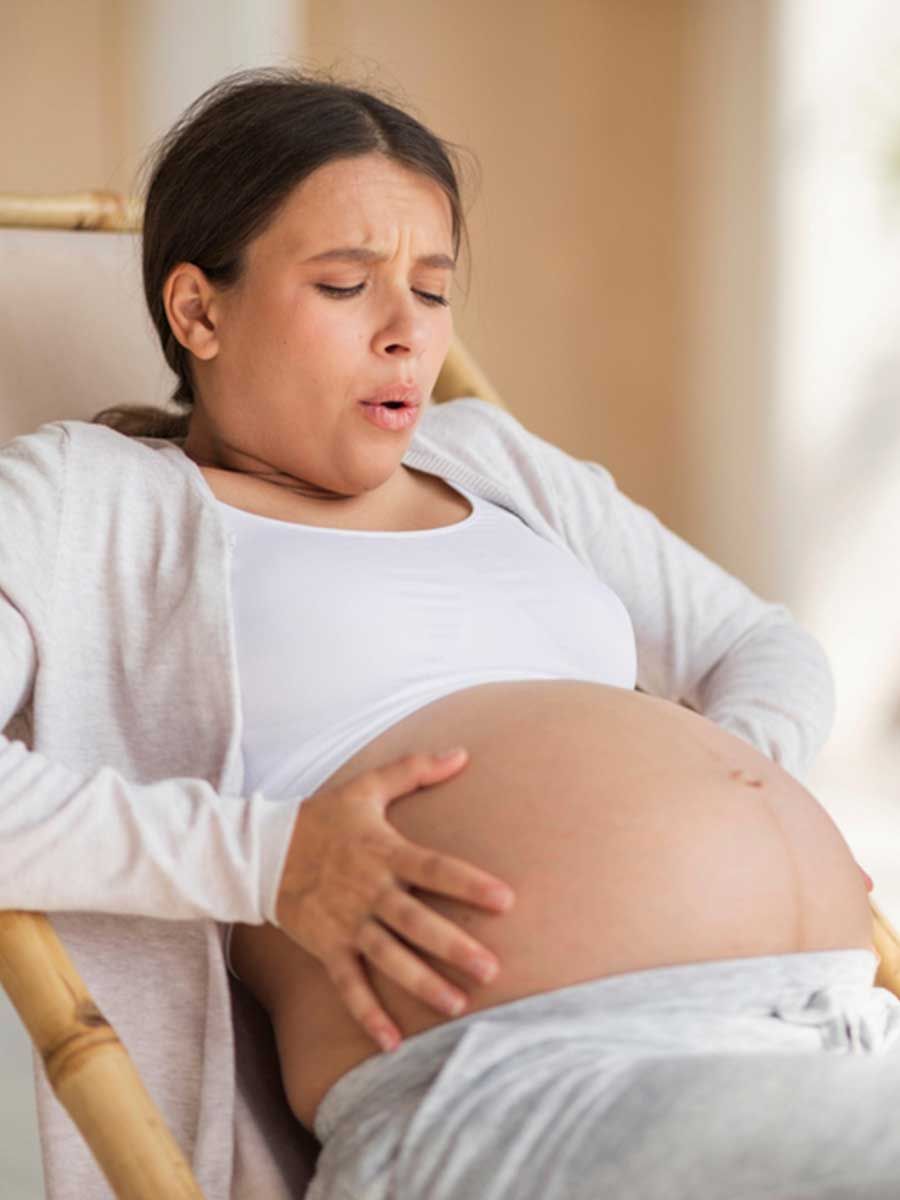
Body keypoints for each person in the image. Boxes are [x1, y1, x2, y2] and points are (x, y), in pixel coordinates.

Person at [0, 65, 894, 1200]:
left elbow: (763, 646)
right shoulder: (91, 498)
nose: (404, 334)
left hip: (833, 1024)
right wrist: (273, 860)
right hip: (528, 1086)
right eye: (344, 285)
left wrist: (739, 780)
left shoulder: (493, 460)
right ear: (198, 310)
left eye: (431, 289)